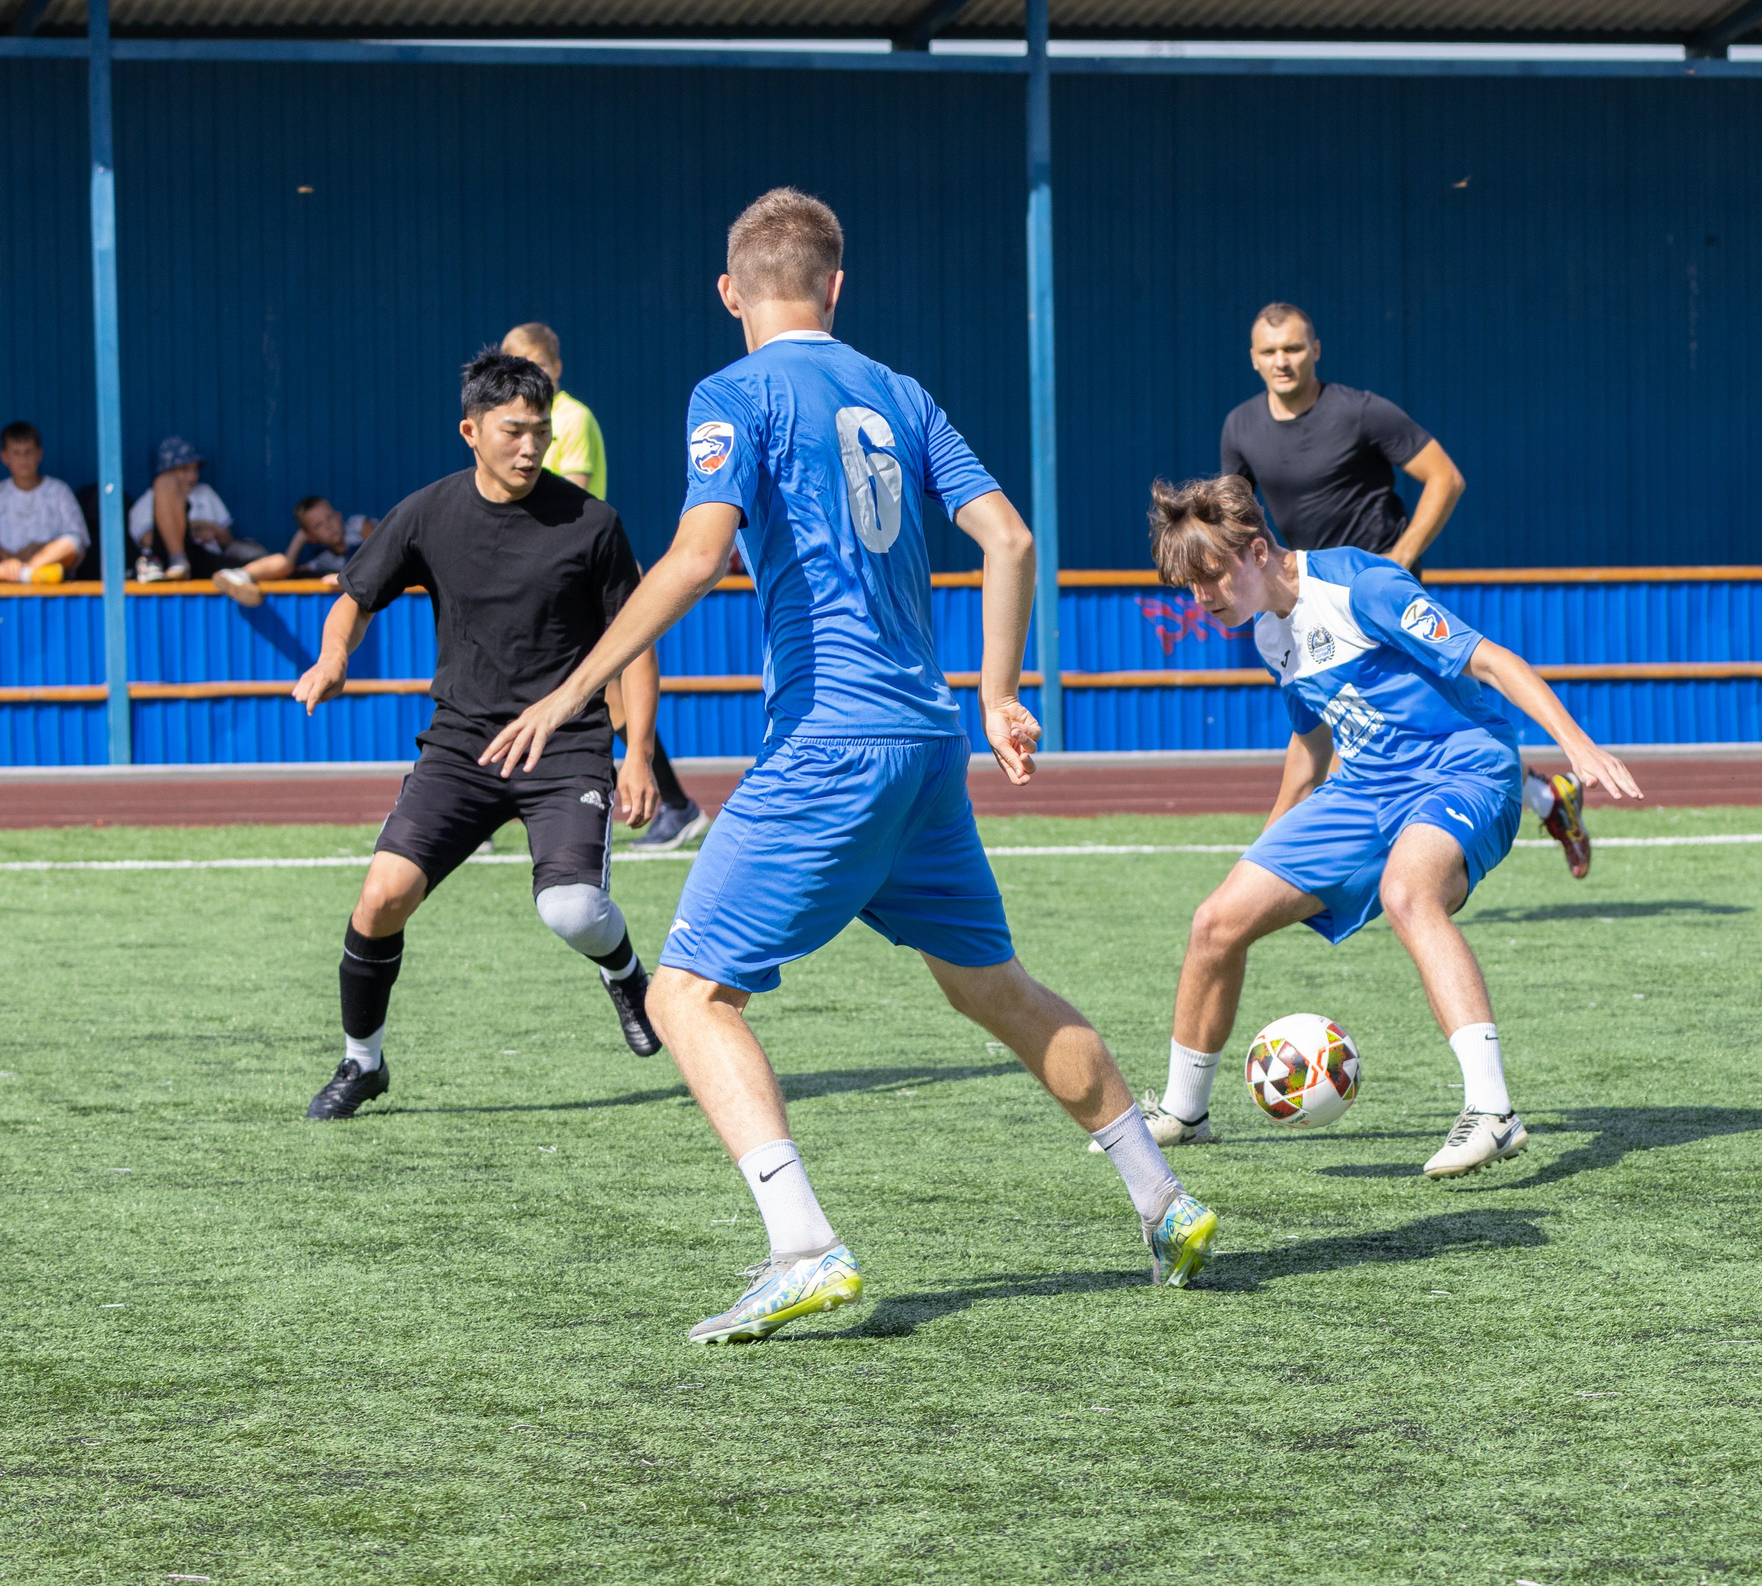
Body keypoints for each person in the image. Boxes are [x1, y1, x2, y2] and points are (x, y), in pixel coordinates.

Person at [479, 188, 1219, 1343]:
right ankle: (1162, 1200)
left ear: (730, 293)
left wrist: (575, 689)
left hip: (829, 745)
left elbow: (695, 555)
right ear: (836, 285)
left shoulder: (732, 392)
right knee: (993, 986)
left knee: (683, 993)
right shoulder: (900, 392)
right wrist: (999, 692)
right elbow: (1010, 539)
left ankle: (802, 1246)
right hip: (928, 744)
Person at [1127, 474, 1642, 1176]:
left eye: (1210, 578)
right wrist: (1268, 847)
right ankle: (1184, 1112)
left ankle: (1493, 1112)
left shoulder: (1361, 587)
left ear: (1255, 549)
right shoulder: (1270, 632)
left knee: (1409, 890)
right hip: (1366, 788)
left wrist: (1577, 745)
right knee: (1216, 921)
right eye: (1189, 586)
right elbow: (1310, 746)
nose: (1202, 599)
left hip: (1465, 770)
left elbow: (1491, 660)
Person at [291, 350, 667, 1120]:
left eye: (540, 432)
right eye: (513, 432)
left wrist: (637, 756)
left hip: (564, 747)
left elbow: (636, 643)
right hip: (463, 744)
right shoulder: (428, 512)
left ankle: (626, 973)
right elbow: (355, 595)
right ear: (471, 429)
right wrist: (332, 658)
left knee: (571, 911)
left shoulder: (593, 524)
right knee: (381, 897)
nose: (531, 448)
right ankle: (363, 1062)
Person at [1218, 304, 1595, 880]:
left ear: (1315, 348)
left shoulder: (1361, 412)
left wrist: (1402, 555)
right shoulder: (1240, 427)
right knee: (1379, 734)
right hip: (1307, 602)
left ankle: (1413, 863)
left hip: (1377, 598)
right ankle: (1543, 799)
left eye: (1293, 348)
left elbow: (1446, 477)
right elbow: (1232, 519)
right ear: (1253, 359)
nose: (1282, 361)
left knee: (1407, 729)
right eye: (1269, 352)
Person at [502, 320, 706, 849]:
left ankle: (672, 801)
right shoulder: (516, 419)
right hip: (542, 575)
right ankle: (675, 803)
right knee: (584, 692)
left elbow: (569, 501)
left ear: (555, 368)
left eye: (531, 365)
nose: (521, 376)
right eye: (512, 365)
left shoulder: (569, 418)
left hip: (574, 575)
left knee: (609, 692)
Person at [129, 436, 291, 606]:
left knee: (282, 562)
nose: (192, 475)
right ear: (166, 469)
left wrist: (214, 532)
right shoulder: (149, 499)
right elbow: (147, 539)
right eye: (184, 469)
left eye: (195, 469)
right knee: (165, 484)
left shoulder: (205, 492)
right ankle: (179, 563)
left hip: (206, 557)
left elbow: (227, 540)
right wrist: (196, 527)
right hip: (169, 559)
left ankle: (237, 577)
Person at [0, 421, 87, 584]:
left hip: (47, 570)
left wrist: (39, 551)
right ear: (4, 457)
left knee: (71, 541)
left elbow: (76, 542)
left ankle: (26, 573)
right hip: (5, 570)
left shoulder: (59, 490)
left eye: (28, 452)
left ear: (39, 453)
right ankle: (23, 575)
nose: (23, 459)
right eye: (16, 453)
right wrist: (9, 560)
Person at [281, 495, 375, 583]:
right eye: (318, 525)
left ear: (339, 516)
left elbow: (380, 550)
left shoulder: (358, 526)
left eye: (329, 517)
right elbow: (286, 571)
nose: (328, 526)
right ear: (312, 538)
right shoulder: (323, 561)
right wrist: (299, 539)